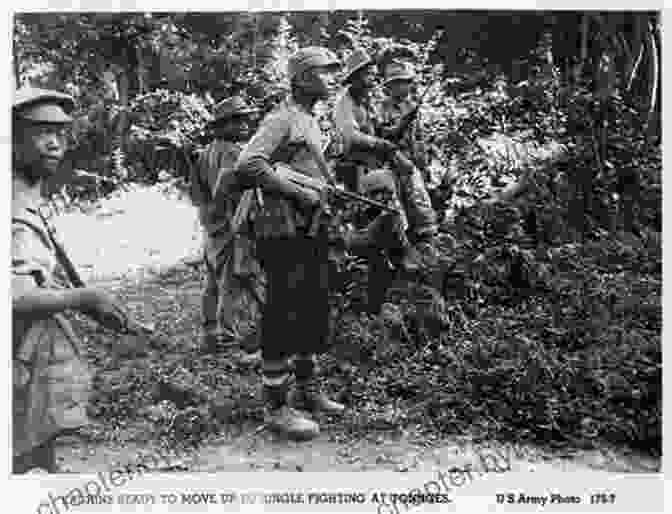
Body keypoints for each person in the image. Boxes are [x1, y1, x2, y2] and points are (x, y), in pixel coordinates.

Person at [12, 87, 138, 473]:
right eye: (40, 133)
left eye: (61, 134)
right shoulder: (14, 209)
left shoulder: (27, 195)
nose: (55, 144)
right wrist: (85, 298)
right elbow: (16, 298)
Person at [235, 47, 346, 441]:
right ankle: (277, 406)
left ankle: (308, 390)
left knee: (311, 306)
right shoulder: (281, 119)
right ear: (301, 79)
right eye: (324, 73)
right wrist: (297, 193)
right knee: (283, 312)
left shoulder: (310, 120)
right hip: (281, 229)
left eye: (333, 73)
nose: (332, 79)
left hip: (308, 228)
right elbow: (248, 164)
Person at [333, 49, 440, 272]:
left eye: (373, 73)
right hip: (355, 172)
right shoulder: (345, 104)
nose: (373, 78)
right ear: (356, 78)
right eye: (368, 74)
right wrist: (381, 145)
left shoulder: (367, 102)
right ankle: (401, 251)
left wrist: (398, 128)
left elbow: (382, 132)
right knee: (389, 188)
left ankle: (422, 238)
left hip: (375, 166)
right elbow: (351, 137)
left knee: (407, 177)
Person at [190, 96, 263, 366]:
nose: (243, 125)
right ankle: (228, 341)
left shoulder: (205, 153)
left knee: (212, 282)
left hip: (212, 226)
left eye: (244, 119)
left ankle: (210, 333)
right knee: (230, 283)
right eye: (237, 120)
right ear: (221, 125)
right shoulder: (233, 152)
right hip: (230, 226)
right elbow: (229, 188)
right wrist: (233, 221)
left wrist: (210, 220)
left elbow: (197, 195)